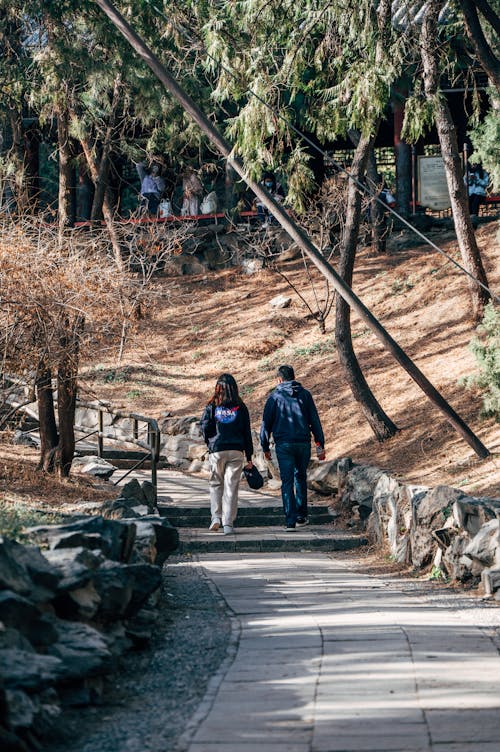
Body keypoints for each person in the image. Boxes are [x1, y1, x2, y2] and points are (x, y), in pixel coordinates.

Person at [260, 365, 325, 531]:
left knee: (287, 481)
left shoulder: (274, 397)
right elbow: (315, 421)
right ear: (293, 377)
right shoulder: (305, 395)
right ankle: (302, 515)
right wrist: (320, 444)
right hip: (303, 443)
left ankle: (290, 521)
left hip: (284, 445)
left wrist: (265, 446)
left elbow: (266, 424)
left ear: (279, 379)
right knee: (300, 477)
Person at [200, 373, 254, 535]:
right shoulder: (241, 407)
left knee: (216, 484)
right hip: (236, 451)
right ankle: (228, 524)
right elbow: (247, 433)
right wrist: (249, 456)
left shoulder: (212, 406)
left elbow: (204, 426)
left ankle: (216, 518)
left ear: (218, 388)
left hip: (217, 449)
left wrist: (209, 442)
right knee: (231, 487)